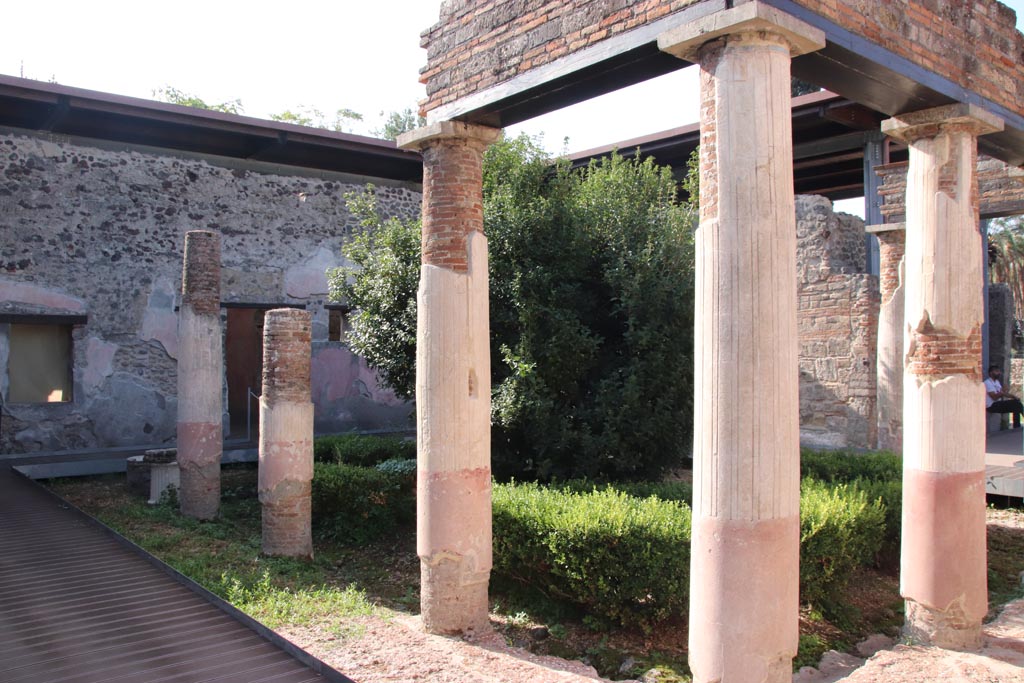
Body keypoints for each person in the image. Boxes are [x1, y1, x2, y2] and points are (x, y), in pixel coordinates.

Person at [984, 364, 1024, 429]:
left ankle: (1017, 427)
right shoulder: (987, 383)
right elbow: (994, 397)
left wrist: (1014, 397)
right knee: (1015, 404)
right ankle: (1017, 427)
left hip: (998, 404)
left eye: (999, 371)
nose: (999, 373)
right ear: (991, 373)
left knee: (1017, 404)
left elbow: (1004, 394)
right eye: (997, 371)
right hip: (991, 406)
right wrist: (1002, 391)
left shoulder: (996, 382)